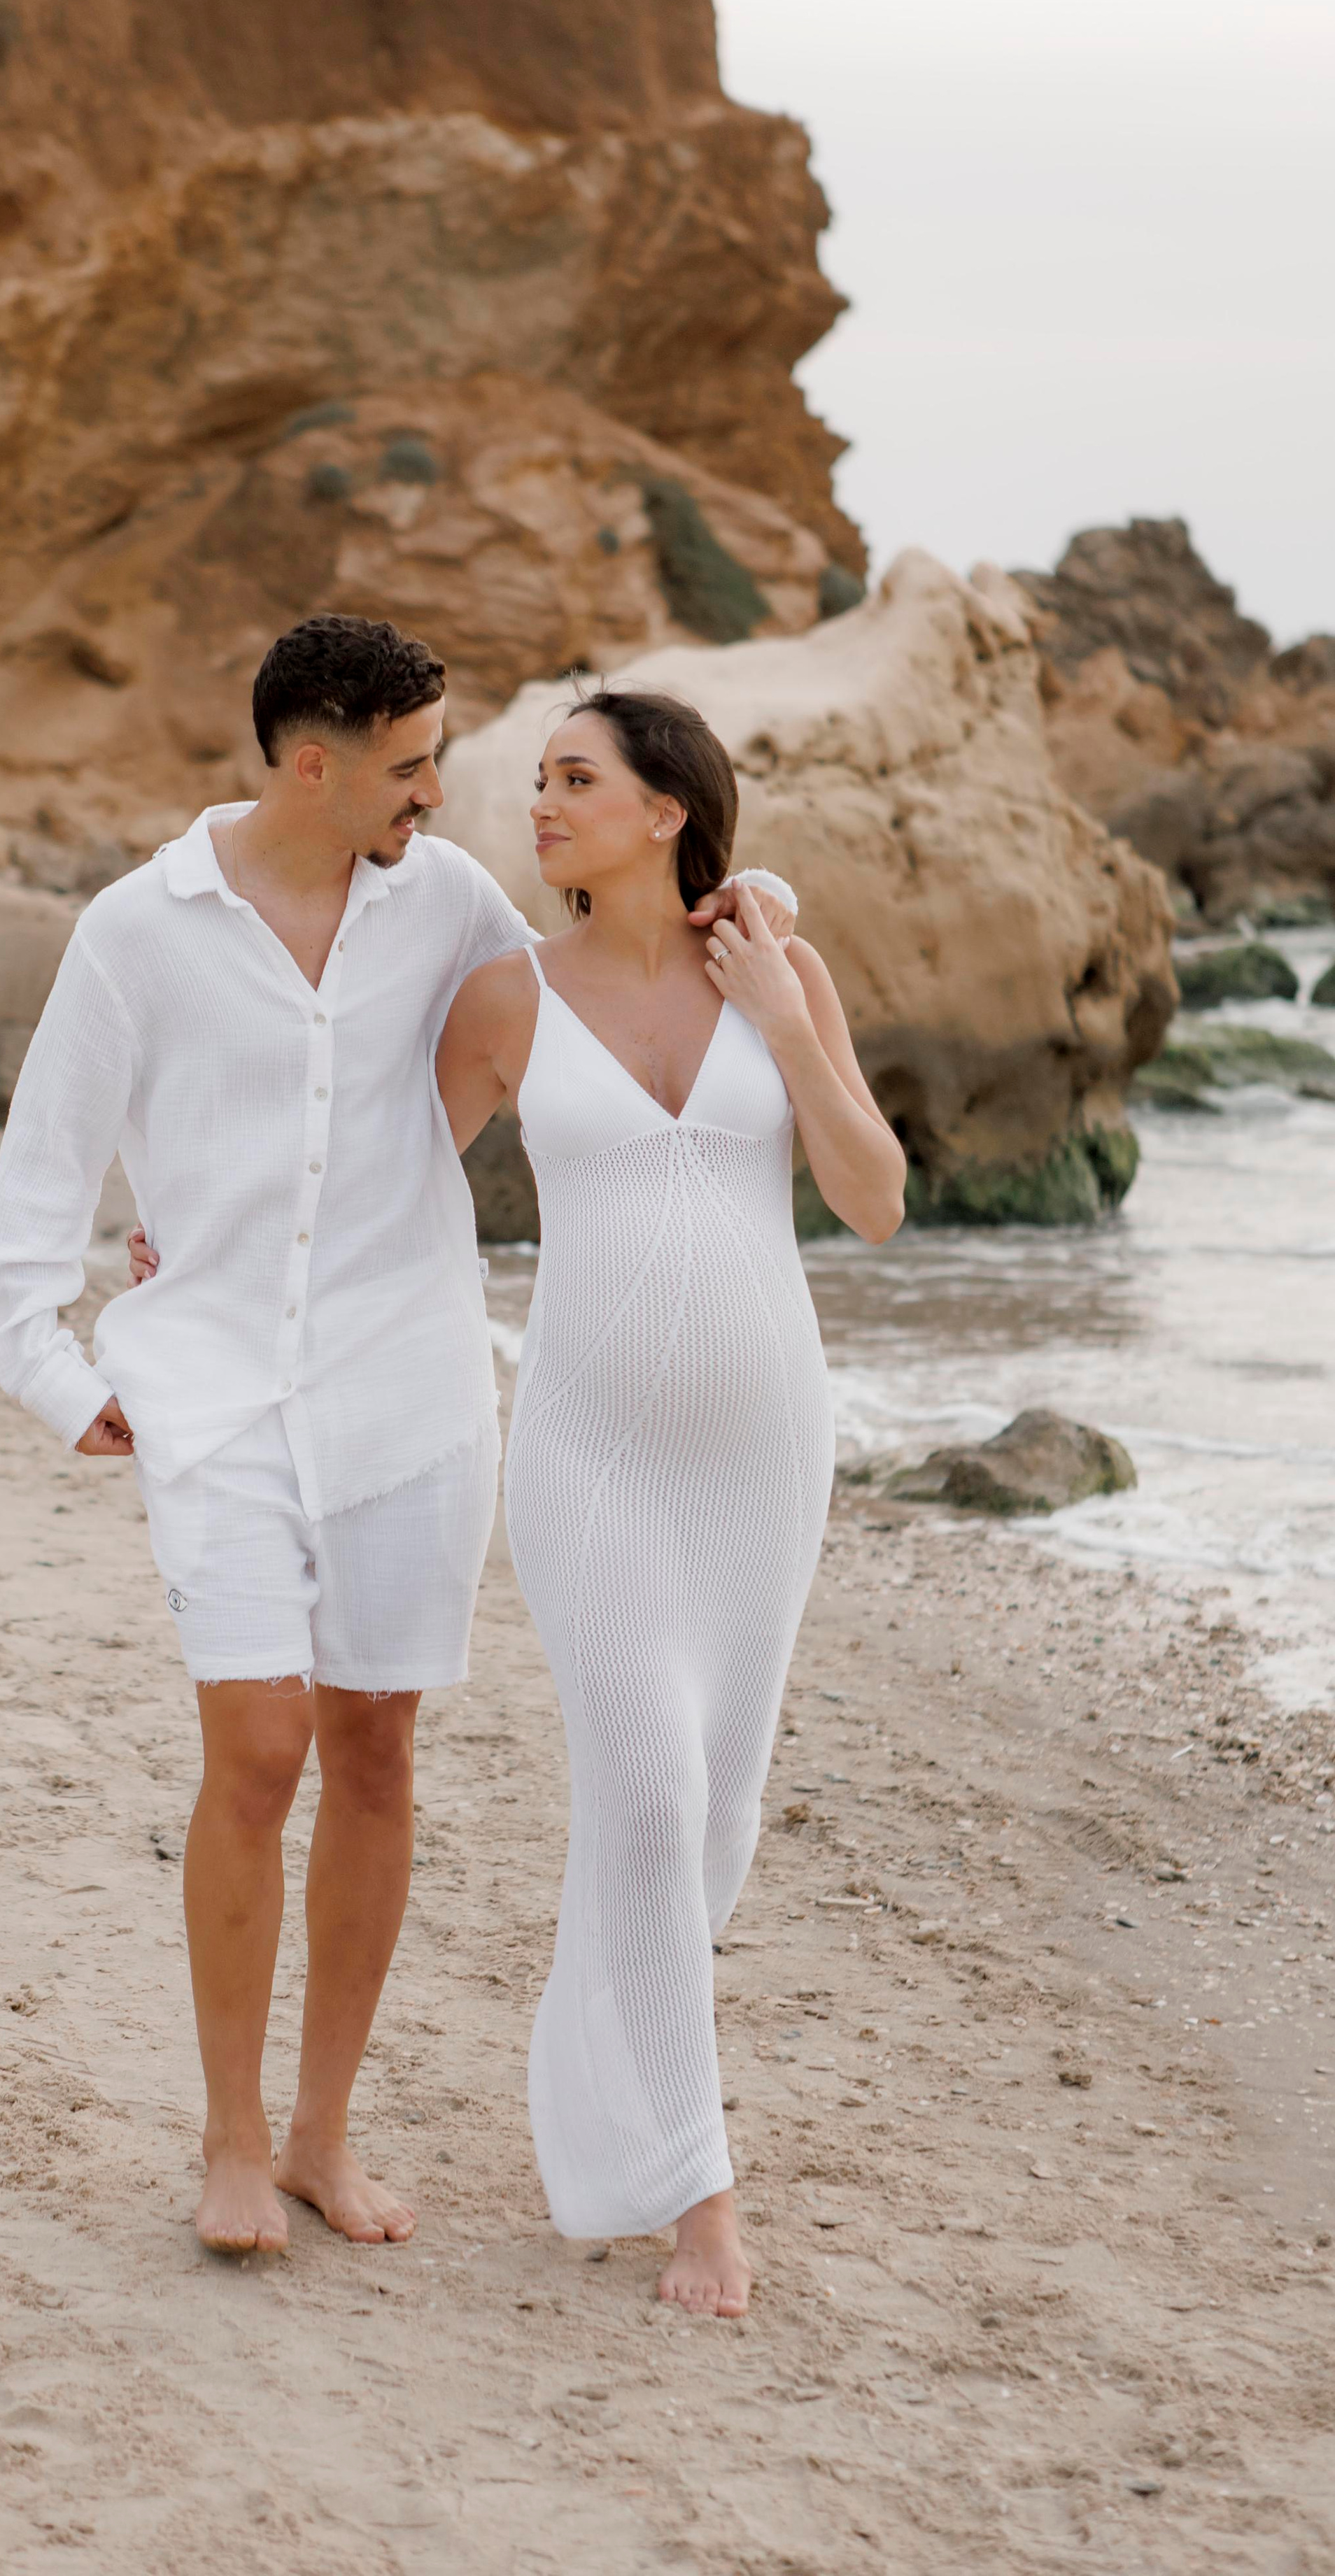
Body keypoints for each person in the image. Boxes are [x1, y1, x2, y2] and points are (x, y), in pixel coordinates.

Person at [0, 615, 796, 2261]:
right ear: (313, 762)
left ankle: (315, 2140)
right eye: (415, 764)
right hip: (210, 1395)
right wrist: (71, 1379)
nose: (443, 792)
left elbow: (609, 968)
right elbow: (33, 1203)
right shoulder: (135, 935)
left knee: (374, 1756)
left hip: (408, 1392)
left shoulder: (454, 910)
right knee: (257, 1749)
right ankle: (221, 2140)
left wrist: (753, 910)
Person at [435, 688, 904, 2317]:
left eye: (575, 780)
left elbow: (874, 1198)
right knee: (637, 1793)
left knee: (703, 1822)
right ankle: (697, 2200)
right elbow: (380, 1192)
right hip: (584, 1454)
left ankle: (603, 2076)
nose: (540, 804)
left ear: (663, 810)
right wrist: (192, 1254)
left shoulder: (779, 971)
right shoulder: (507, 996)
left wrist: (782, 1016)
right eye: (539, 780)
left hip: (761, 1455)